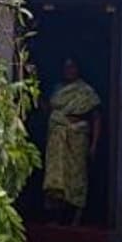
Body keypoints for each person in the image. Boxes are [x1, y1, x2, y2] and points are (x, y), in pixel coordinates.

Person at [42, 58, 101, 226]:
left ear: (78, 69)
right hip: (57, 138)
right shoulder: (57, 90)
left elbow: (96, 118)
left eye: (72, 66)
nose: (69, 70)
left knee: (77, 176)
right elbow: (49, 111)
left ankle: (77, 218)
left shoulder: (86, 91)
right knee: (56, 178)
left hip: (77, 137)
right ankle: (56, 217)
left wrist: (94, 144)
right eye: (66, 67)